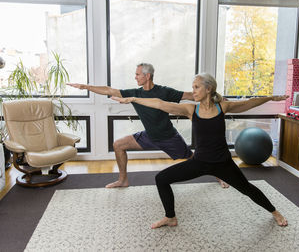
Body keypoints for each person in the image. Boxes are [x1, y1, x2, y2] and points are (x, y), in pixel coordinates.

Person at [111, 73, 288, 228]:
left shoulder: (222, 107)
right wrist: (133, 99)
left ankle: (275, 212)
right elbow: (159, 104)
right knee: (161, 179)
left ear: (208, 89)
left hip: (223, 163)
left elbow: (249, 103)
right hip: (199, 163)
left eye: (196, 87)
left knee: (248, 189)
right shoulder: (191, 109)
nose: (193, 91)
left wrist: (271, 98)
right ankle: (170, 217)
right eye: (192, 87)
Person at [67, 63, 229, 188]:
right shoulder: (135, 93)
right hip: (149, 136)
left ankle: (218, 174)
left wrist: (218, 100)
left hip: (168, 138)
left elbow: (191, 96)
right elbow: (109, 90)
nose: (135, 77)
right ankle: (123, 180)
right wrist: (86, 87)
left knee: (193, 158)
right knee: (118, 145)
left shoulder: (164, 91)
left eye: (137, 74)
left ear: (148, 76)